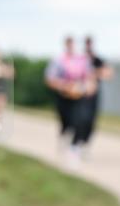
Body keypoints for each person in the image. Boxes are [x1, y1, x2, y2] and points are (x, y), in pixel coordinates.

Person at [45, 36, 96, 165]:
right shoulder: (59, 60)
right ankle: (65, 137)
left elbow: (90, 78)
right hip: (64, 96)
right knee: (66, 122)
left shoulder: (83, 60)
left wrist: (88, 87)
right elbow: (50, 79)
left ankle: (74, 149)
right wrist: (64, 86)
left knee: (81, 120)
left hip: (79, 96)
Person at [80, 35, 113, 155]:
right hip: (81, 93)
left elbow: (108, 73)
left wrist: (95, 73)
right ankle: (78, 141)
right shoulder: (79, 59)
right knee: (81, 118)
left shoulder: (97, 60)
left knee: (91, 120)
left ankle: (86, 143)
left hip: (94, 94)